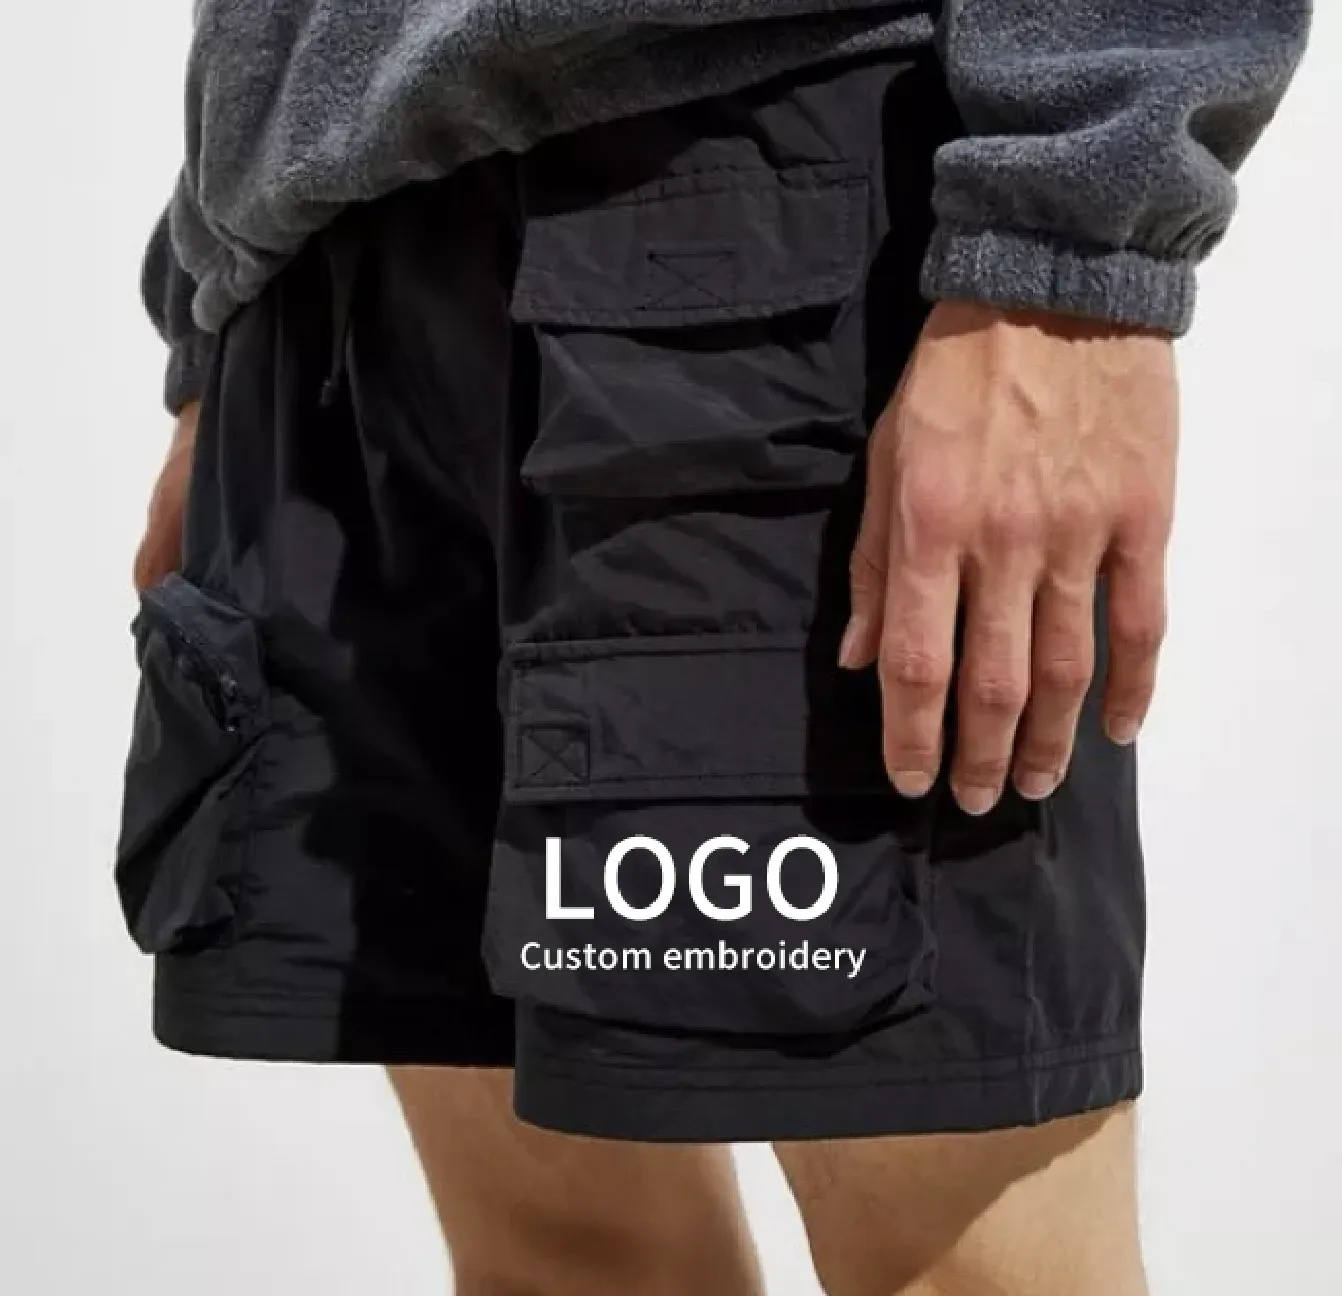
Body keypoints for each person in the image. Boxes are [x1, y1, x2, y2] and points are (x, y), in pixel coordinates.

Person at [121, 3, 1312, 1293]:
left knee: (964, 1267)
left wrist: (1070, 244)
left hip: (760, 206)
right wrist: (214, 311)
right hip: (321, 283)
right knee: (563, 1265)